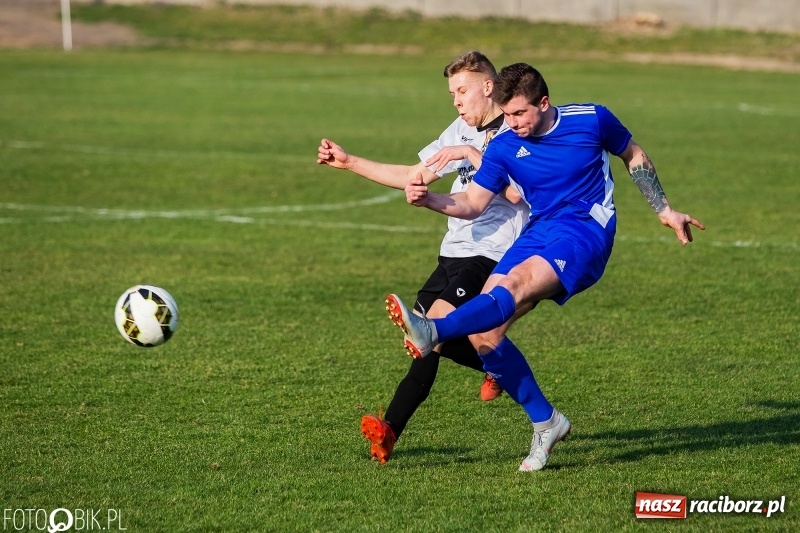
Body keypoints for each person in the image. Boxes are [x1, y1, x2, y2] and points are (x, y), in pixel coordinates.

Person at [386, 62, 705, 471]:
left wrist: (663, 208)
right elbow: (472, 203)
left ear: (544, 102)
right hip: (540, 230)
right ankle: (546, 422)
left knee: (514, 285)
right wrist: (428, 200)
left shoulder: (591, 119)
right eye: (508, 114)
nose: (513, 123)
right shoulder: (503, 145)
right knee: (485, 335)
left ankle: (433, 331)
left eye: (520, 114)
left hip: (585, 230)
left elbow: (633, 153)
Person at [316, 51, 529, 464]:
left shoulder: (516, 129)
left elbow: (518, 193)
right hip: (453, 251)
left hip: (493, 252)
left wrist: (470, 156)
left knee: (430, 332)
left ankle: (391, 429)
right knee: (427, 343)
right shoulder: (459, 128)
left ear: (488, 87)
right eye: (452, 93)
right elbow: (415, 173)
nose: (456, 101)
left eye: (462, 91)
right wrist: (349, 162)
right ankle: (491, 364)